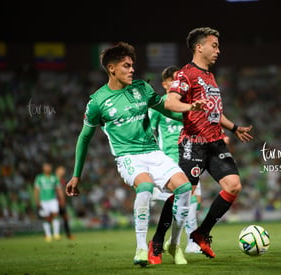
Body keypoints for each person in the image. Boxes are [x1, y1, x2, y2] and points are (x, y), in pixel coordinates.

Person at [65, 42, 207, 266]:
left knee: (184, 187)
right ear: (111, 68)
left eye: (132, 65)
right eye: (126, 65)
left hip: (153, 152)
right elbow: (84, 138)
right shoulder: (97, 102)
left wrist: (193, 112)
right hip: (128, 156)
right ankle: (141, 248)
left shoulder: (142, 88)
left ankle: (174, 244)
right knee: (146, 186)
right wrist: (76, 175)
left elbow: (166, 109)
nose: (132, 69)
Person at [162, 26, 253, 259]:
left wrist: (234, 128)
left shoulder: (210, 76)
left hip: (215, 142)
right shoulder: (186, 74)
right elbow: (171, 102)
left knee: (233, 185)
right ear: (199, 47)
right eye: (214, 45)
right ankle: (156, 241)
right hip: (194, 142)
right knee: (184, 193)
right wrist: (191, 106)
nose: (218, 51)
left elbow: (214, 112)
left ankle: (201, 233)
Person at [148, 66, 202, 262]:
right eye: (173, 80)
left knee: (191, 202)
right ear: (164, 84)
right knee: (176, 204)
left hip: (190, 157)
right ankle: (160, 242)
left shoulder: (188, 105)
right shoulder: (160, 106)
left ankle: (186, 242)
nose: (178, 83)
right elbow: (150, 133)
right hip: (169, 160)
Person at [34, 162, 65, 242]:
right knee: (46, 218)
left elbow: (59, 189)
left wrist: (61, 199)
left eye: (49, 167)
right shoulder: (39, 178)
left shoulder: (54, 178)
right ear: (43, 169)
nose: (48, 168)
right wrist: (37, 201)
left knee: (55, 215)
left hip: (53, 200)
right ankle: (48, 235)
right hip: (43, 201)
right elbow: (36, 190)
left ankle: (56, 234)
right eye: (46, 167)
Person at [55, 165, 75, 239]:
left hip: (61, 201)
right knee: (53, 218)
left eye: (63, 171)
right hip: (54, 201)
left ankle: (68, 234)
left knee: (65, 218)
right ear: (57, 170)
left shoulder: (62, 180)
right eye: (61, 170)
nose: (63, 172)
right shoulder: (54, 179)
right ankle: (52, 234)